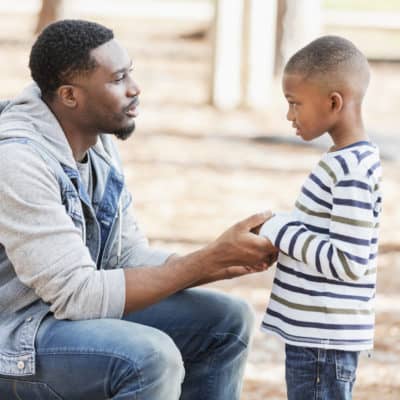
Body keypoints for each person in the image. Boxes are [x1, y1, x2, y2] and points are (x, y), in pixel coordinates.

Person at [0, 19, 277, 399]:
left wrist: (221, 261)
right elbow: (78, 295)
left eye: (130, 72)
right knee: (148, 357)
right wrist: (203, 262)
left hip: (55, 319)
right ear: (69, 96)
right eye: (117, 79)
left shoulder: (96, 142)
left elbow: (126, 256)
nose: (135, 88)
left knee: (226, 321)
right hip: (14, 336)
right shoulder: (18, 160)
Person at [258, 36, 382, 400]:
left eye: (294, 103)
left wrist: (279, 229)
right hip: (315, 336)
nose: (289, 115)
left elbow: (349, 261)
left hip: (323, 342)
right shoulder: (343, 161)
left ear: (334, 102)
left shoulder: (352, 170)